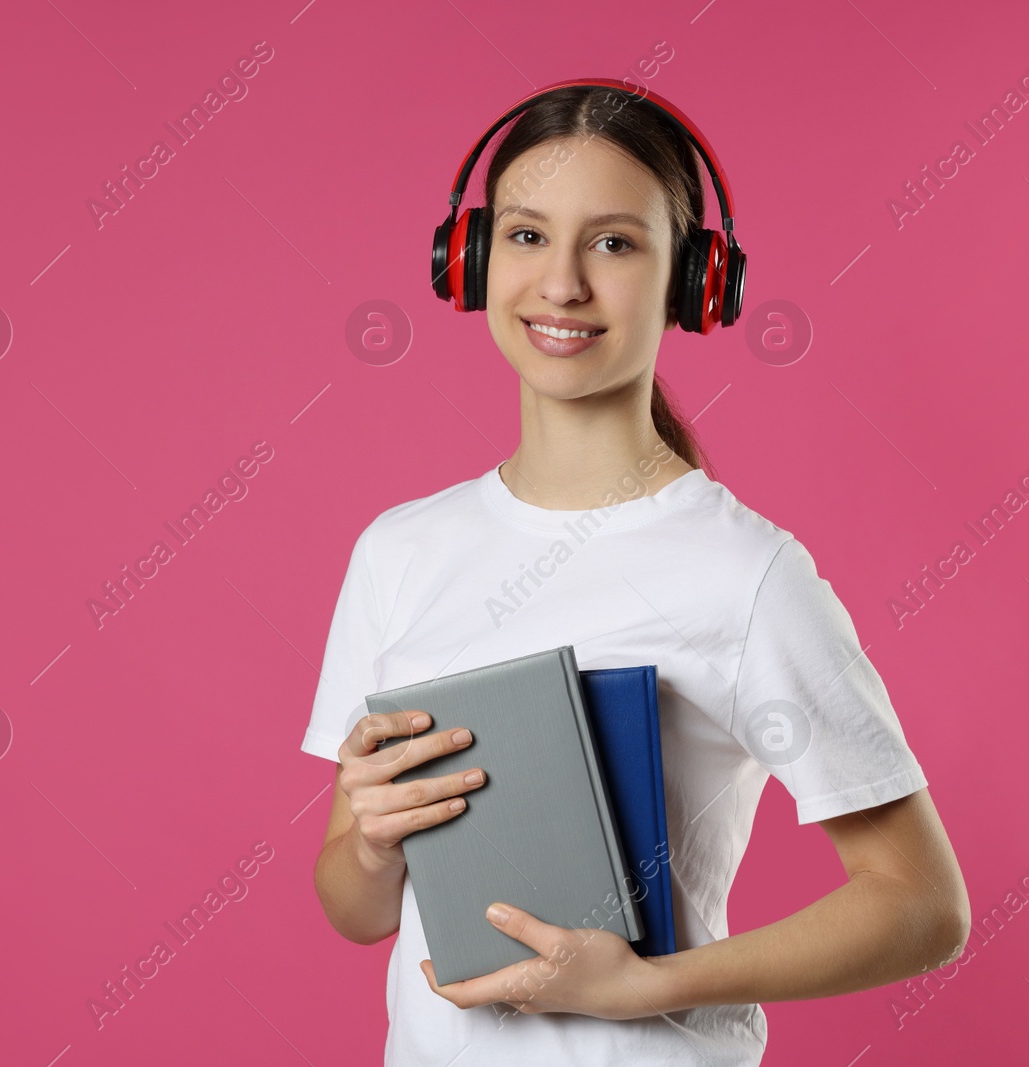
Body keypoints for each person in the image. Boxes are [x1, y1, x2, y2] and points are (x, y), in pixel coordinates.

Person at [300, 80, 970, 1066]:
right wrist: (370, 844)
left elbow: (920, 902)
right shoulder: (398, 551)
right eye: (526, 236)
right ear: (471, 261)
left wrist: (646, 986)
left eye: (613, 243)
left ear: (691, 281)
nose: (561, 285)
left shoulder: (745, 573)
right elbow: (356, 911)